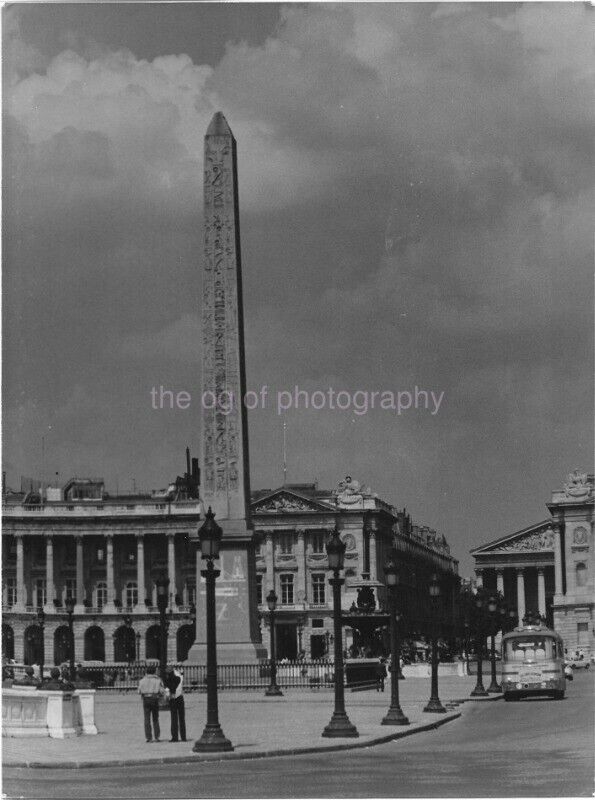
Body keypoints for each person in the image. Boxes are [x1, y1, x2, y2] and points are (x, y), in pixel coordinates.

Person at [138, 664, 165, 743]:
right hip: (154, 698)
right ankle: (157, 736)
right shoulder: (158, 680)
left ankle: (148, 737)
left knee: (147, 719)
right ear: (154, 672)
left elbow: (139, 691)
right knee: (155, 718)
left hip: (146, 699)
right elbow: (162, 691)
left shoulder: (142, 680)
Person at [164, 665, 186, 743]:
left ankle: (175, 737)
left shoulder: (167, 680)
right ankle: (183, 737)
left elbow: (167, 691)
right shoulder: (179, 677)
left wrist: (168, 696)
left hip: (172, 698)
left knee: (174, 718)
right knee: (182, 718)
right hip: (180, 697)